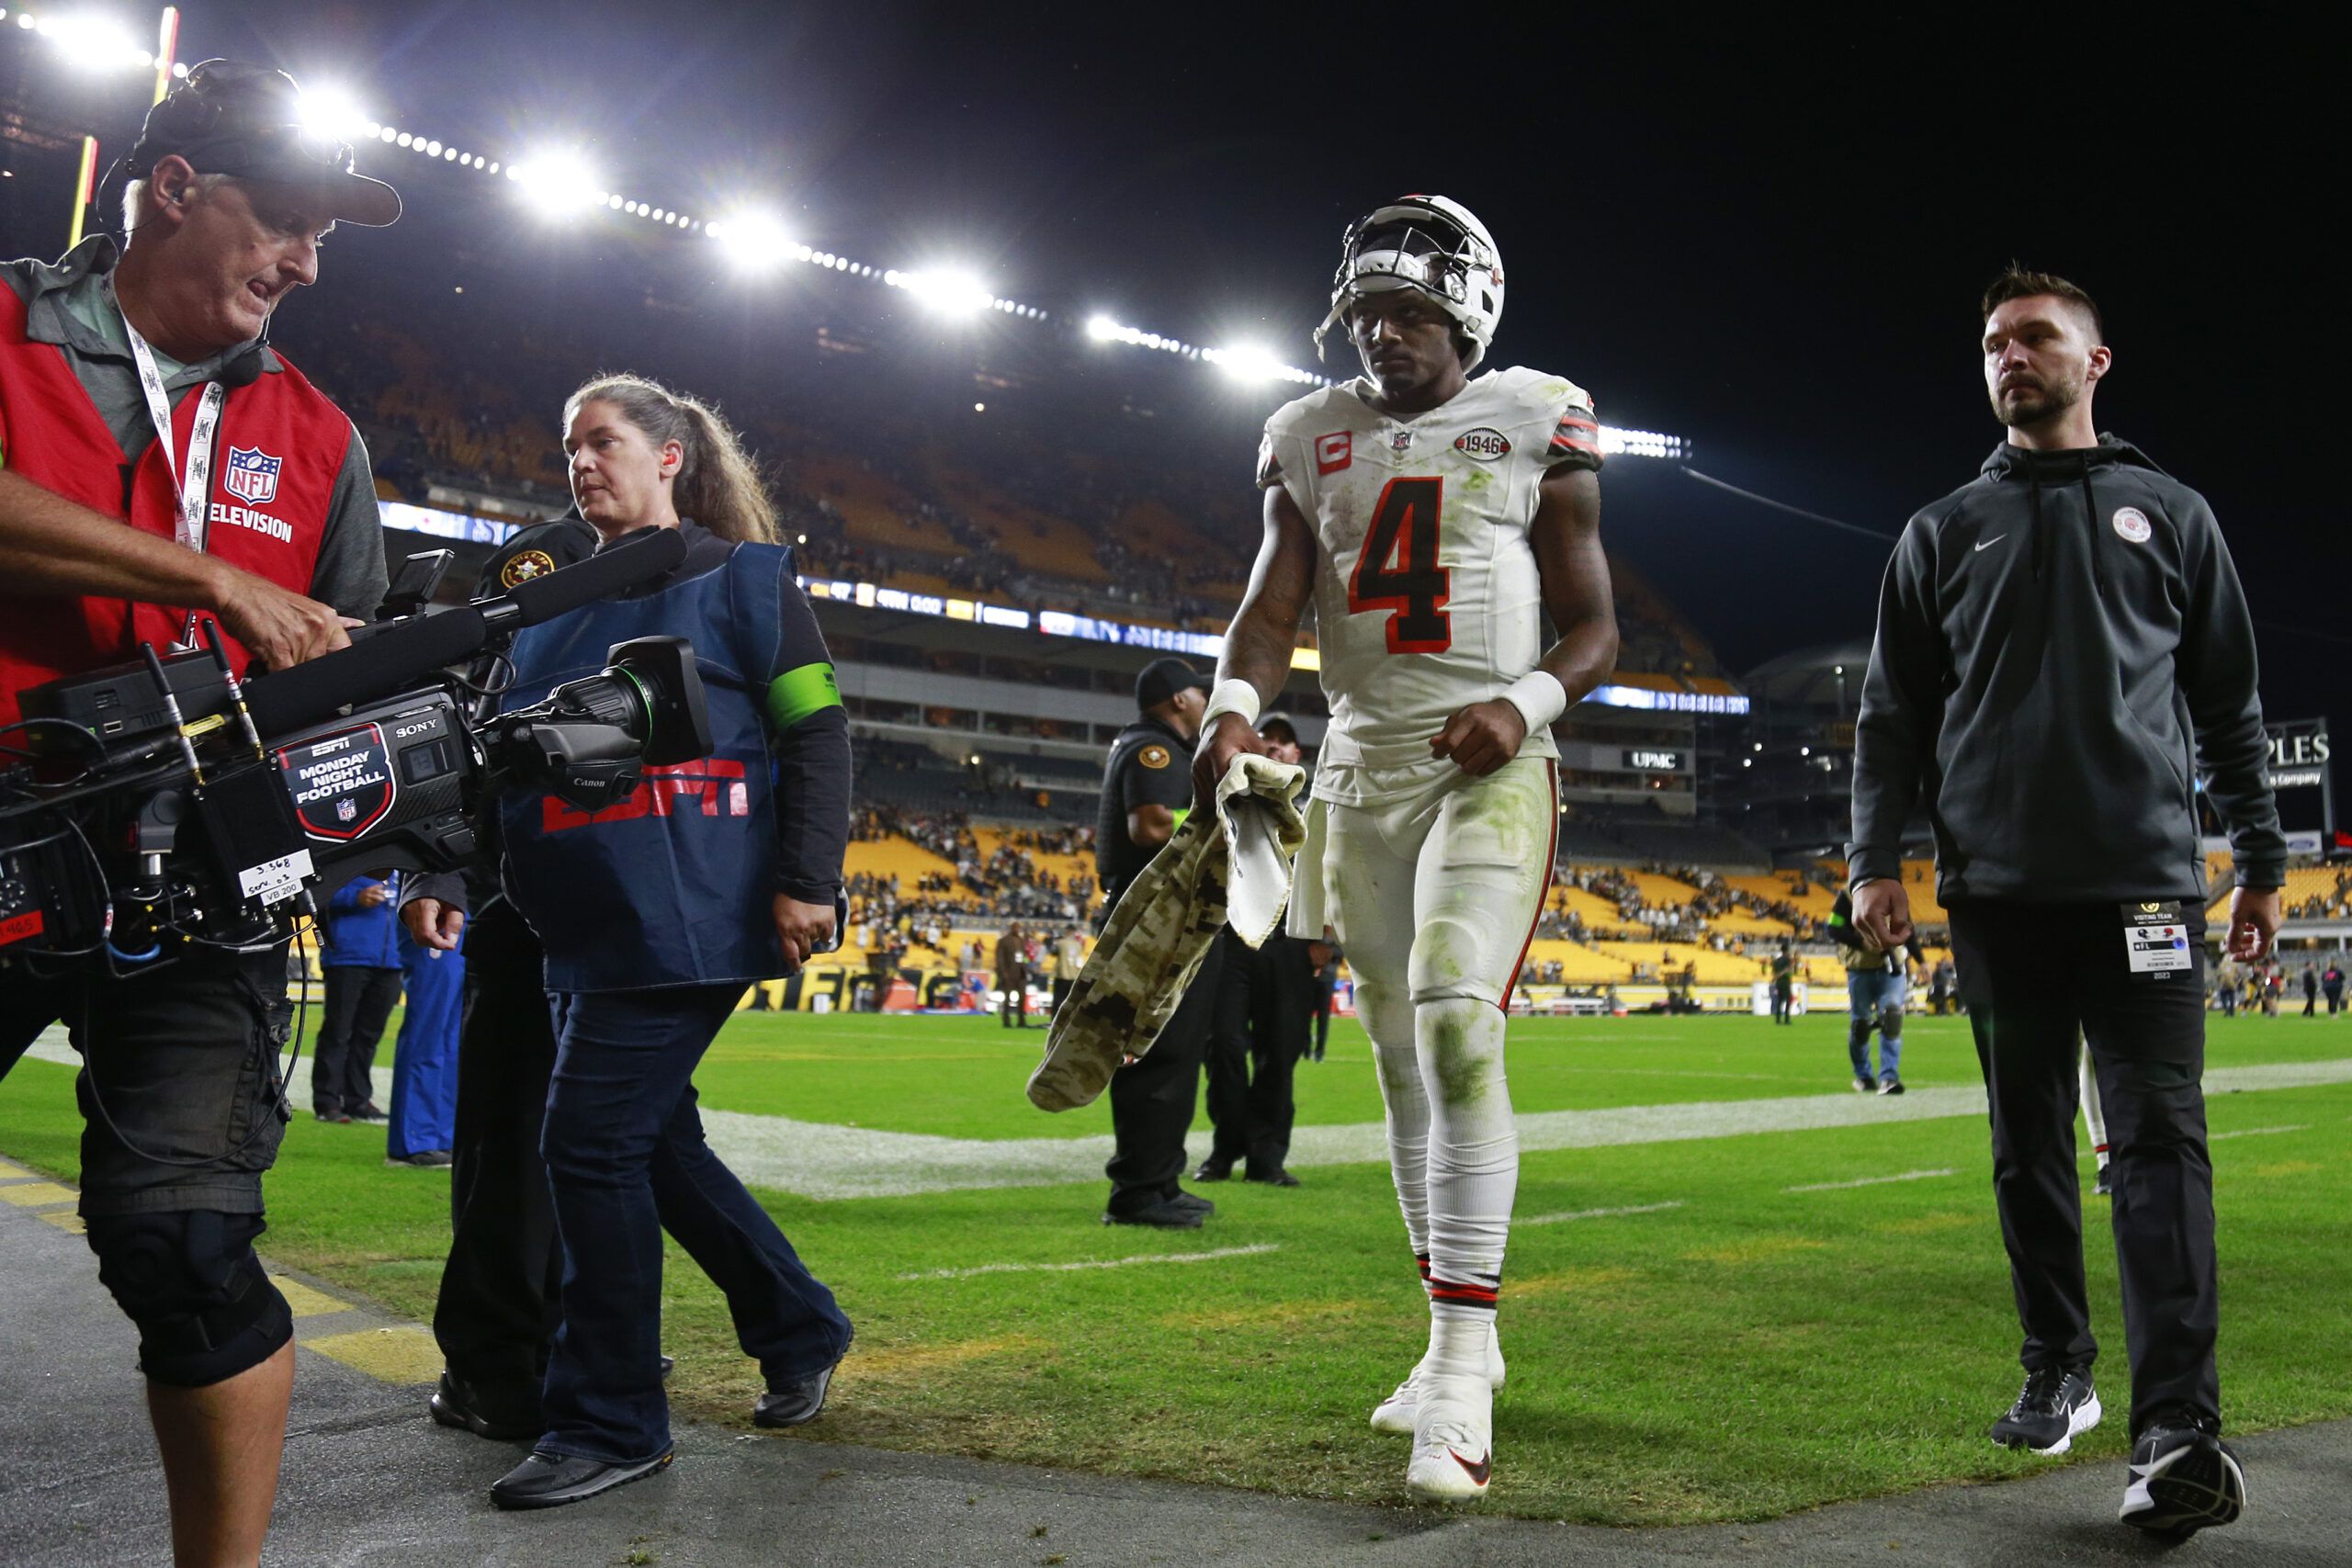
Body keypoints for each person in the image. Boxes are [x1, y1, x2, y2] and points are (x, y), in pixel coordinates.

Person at [0, 61, 396, 1566]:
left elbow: (340, 671)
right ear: (174, 187)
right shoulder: (5, 323)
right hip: (6, 831)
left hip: (196, 878)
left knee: (186, 1239)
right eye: (282, 218)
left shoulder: (322, 436)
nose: (303, 262)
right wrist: (216, 580)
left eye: (325, 239)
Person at [1192, 196, 1617, 1501]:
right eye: (1367, 313)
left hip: (1488, 761)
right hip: (1356, 765)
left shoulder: (1539, 411)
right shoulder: (1305, 435)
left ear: (1471, 307)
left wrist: (1526, 700)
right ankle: (1446, 1349)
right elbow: (1271, 610)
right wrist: (1229, 710)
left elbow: (1595, 628)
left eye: (1412, 311)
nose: (1384, 333)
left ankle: (1461, 1357)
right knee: (1394, 1056)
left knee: (1453, 1015)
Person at [1849, 267, 2283, 1539]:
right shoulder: (1939, 530)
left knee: (2159, 1143)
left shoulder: (2172, 512)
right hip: (1996, 896)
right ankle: (2061, 1368)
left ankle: (2178, 1427)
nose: (2010, 354)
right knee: (2025, 1144)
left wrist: (2259, 861)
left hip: (2149, 891)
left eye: (2036, 335)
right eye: (1992, 341)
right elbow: (1892, 717)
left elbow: (2229, 706)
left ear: (2097, 362)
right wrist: (1875, 856)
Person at [404, 373, 852, 1509]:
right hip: (574, 918)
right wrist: (455, 873)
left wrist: (807, 879)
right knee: (650, 1146)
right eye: (568, 450)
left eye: (603, 442)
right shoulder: (545, 607)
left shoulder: (746, 579)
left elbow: (817, 727)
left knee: (588, 1146)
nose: (581, 464)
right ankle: (797, 1324)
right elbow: (499, 764)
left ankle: (610, 1420)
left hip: (690, 913)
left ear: (670, 457)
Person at [1096, 657, 1226, 1230]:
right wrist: (1222, 828)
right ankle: (1140, 1190)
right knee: (1160, 1047)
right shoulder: (1157, 751)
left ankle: (1160, 1180)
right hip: (1160, 916)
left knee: (1177, 1046)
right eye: (1200, 693)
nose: (1205, 703)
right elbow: (1150, 825)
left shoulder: (1151, 746)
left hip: (1164, 914)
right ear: (1179, 700)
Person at [1195, 715, 1320, 1186]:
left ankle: (1266, 1158)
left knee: (1279, 1054)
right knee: (1224, 1046)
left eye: (1286, 743)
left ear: (1297, 758)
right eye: (1268, 738)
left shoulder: (1315, 812)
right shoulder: (1224, 801)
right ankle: (1225, 1150)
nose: (1275, 747)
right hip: (1228, 942)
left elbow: (1332, 880)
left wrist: (1324, 942)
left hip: (1288, 946)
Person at [311, 873, 401, 1123]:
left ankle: (358, 1099)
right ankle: (327, 1101)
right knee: (338, 1031)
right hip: (347, 958)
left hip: (392, 960)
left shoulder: (403, 868)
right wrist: (354, 897)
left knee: (369, 1036)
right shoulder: (350, 861)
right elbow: (315, 895)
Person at [386, 920, 461, 1168]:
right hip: (441, 905)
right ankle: (414, 1140)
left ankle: (443, 1136)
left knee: (454, 1036)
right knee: (429, 1029)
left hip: (474, 906)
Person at [1829, 887, 1919, 1093]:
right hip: (1860, 968)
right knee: (1860, 1025)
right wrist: (1861, 942)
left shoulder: (1895, 893)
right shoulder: (1847, 895)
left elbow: (1907, 929)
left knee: (1892, 1018)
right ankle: (1863, 1076)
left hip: (1891, 967)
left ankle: (1888, 1077)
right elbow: (1833, 928)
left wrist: (1921, 960)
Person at [995, 921, 1031, 1028]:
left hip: (1021, 973)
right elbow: (999, 958)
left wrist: (1025, 966)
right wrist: (1003, 972)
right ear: (1011, 928)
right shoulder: (1003, 941)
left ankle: (1021, 1020)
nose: (1017, 929)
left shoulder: (1021, 941)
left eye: (1018, 927)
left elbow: (1024, 956)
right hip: (1009, 973)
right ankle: (1006, 1020)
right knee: (1007, 998)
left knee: (1022, 997)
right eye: (1015, 927)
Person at [1050, 925, 1085, 1015]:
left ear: (1067, 931)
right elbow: (1079, 962)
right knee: (1070, 1001)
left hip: (1062, 975)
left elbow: (1052, 952)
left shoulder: (1060, 943)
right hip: (1073, 976)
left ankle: (1055, 1020)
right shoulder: (1078, 945)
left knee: (1058, 1000)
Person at [1770, 942, 1796, 1024]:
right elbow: (1790, 970)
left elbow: (1773, 972)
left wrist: (1777, 976)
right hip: (1785, 982)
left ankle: (1778, 1020)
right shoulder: (1788, 959)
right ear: (1787, 951)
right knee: (1788, 1000)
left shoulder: (1776, 961)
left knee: (1780, 1001)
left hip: (1778, 983)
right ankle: (1787, 1019)